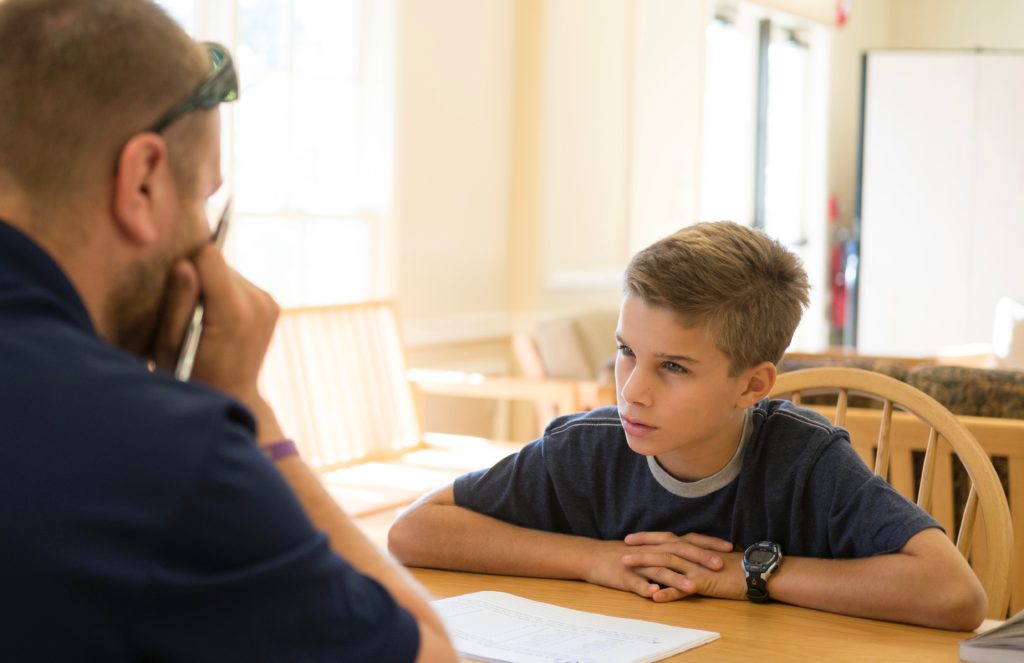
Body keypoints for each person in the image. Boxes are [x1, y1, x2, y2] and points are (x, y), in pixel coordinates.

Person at [0, 1, 455, 660]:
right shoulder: (167, 452)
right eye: (206, 201)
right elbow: (430, 652)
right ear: (144, 182)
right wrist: (249, 408)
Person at [389, 221, 987, 631]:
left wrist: (750, 571)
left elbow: (955, 594)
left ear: (752, 385)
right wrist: (594, 559)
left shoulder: (807, 460)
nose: (633, 389)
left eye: (673, 367)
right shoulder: (585, 449)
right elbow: (415, 532)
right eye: (627, 351)